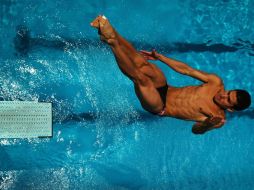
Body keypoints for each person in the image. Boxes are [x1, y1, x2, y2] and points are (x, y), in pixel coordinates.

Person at [90, 15, 251, 134]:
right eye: (228, 93)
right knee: (143, 64)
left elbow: (196, 130)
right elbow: (187, 70)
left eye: (227, 100)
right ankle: (110, 30)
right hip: (165, 88)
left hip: (160, 106)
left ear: (231, 109)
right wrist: (160, 57)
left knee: (140, 79)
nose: (223, 95)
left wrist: (208, 124)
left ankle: (111, 42)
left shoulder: (217, 118)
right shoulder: (216, 83)